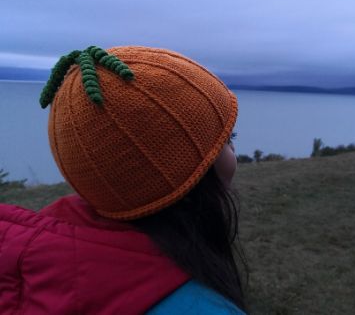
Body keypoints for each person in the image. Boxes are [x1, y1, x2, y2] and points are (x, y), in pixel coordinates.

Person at [0, 46, 248, 314]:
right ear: (185, 176)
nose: (233, 151)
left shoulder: (39, 261)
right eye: (226, 140)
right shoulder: (201, 307)